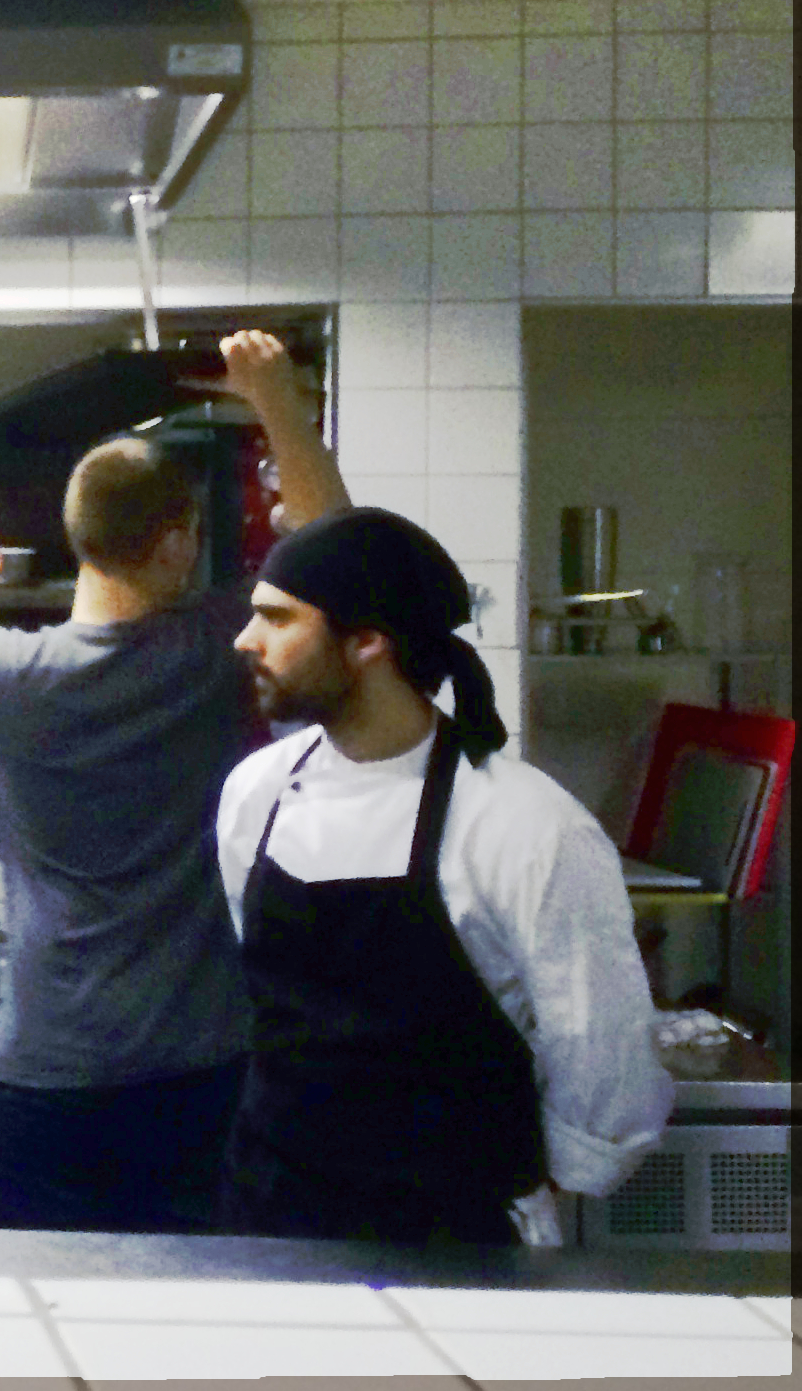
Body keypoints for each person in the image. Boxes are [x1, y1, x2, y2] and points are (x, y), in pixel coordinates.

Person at [0, 330, 348, 1234]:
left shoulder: (1, 672)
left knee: (30, 1312)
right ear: (174, 545)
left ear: (79, 541)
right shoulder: (214, 653)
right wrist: (276, 400)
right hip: (197, 1083)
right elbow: (335, 563)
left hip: (43, 1080)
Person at [218, 506, 671, 1245]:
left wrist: (553, 1176)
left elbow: (601, 1044)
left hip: (459, 1239)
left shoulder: (525, 824)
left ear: (367, 642)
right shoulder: (255, 794)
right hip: (272, 1218)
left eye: (276, 617)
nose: (246, 639)